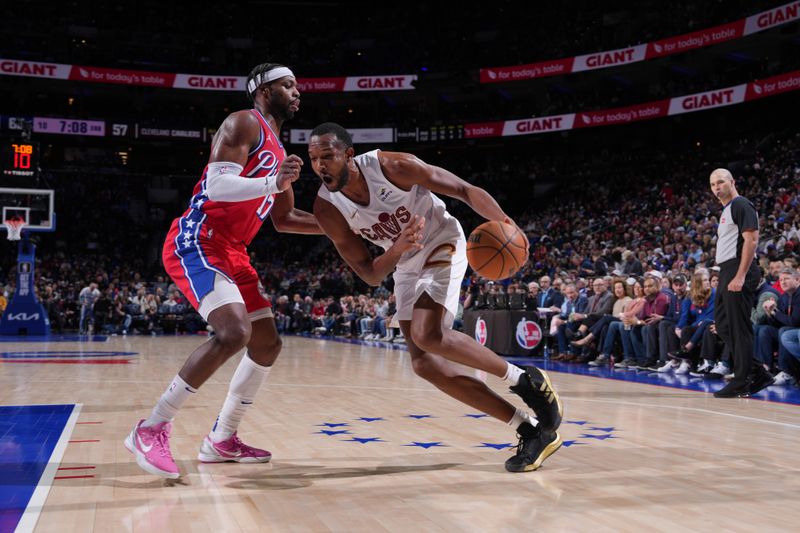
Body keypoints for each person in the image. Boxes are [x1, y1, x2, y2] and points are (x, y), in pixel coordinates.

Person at [307, 122, 563, 473]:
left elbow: (463, 189)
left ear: (348, 155)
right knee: (424, 363)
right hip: (405, 259)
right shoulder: (327, 209)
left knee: (428, 334)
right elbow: (369, 273)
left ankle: (524, 380)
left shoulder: (393, 166)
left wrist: (506, 223)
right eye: (313, 158)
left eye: (327, 156)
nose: (320, 165)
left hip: (442, 238)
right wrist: (397, 248)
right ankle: (530, 429)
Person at [125, 63, 321, 478]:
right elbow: (217, 187)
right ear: (264, 90)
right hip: (200, 239)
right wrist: (274, 182)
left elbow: (284, 220)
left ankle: (221, 439)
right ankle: (151, 428)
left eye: (297, 85)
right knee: (235, 333)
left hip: (235, 251)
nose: (297, 91)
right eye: (289, 85)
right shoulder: (243, 123)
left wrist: (346, 227)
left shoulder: (280, 152)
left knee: (266, 344)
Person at [709, 168, 773, 398]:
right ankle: (757, 372)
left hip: (738, 268)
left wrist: (741, 275)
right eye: (713, 184)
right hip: (727, 269)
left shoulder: (740, 204)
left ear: (732, 181)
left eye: (720, 182)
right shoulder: (727, 210)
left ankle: (740, 380)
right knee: (724, 325)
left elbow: (752, 240)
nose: (717, 187)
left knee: (739, 327)